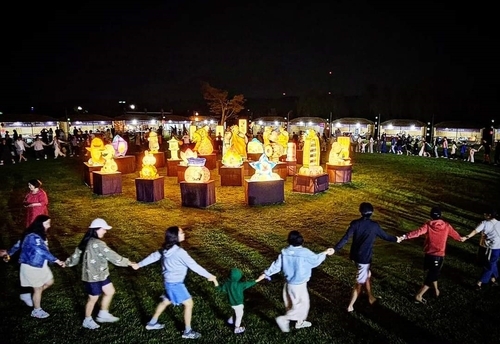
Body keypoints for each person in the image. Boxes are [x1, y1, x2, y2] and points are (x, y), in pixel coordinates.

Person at [131, 226, 217, 339]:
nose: (183, 233)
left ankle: (152, 323)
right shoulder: (180, 252)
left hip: (168, 283)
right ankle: (187, 332)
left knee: (165, 302)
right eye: (181, 232)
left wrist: (139, 265)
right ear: (175, 237)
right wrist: (209, 276)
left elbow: (153, 256)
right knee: (189, 304)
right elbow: (194, 266)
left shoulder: (165, 249)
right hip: (176, 284)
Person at [65, 218, 135, 329]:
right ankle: (87, 320)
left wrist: (67, 263)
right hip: (92, 277)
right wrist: (129, 263)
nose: (105, 231)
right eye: (103, 229)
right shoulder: (98, 243)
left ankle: (103, 314)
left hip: (102, 274)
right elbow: (113, 256)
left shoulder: (86, 240)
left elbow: (76, 256)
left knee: (110, 291)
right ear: (96, 230)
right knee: (93, 299)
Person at [263, 230, 334, 332]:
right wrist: (325, 253)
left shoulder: (285, 251)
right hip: (299, 285)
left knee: (291, 303)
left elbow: (276, 265)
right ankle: (285, 319)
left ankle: (299, 322)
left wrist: (267, 273)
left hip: (288, 284)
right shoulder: (304, 252)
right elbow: (315, 260)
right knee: (303, 305)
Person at [333, 202, 398, 312]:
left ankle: (371, 298)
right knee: (359, 283)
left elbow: (345, 238)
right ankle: (350, 306)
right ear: (371, 213)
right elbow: (386, 236)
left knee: (367, 275)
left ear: (361, 212)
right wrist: (396, 239)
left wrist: (336, 248)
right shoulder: (374, 226)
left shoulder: (355, 223)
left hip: (355, 256)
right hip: (364, 259)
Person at [1, 215, 65, 318]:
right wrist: (57, 260)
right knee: (38, 288)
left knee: (49, 282)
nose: (49, 225)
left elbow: (19, 244)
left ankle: (30, 295)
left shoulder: (39, 233)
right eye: (47, 223)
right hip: (32, 266)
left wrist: (8, 252)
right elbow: (41, 250)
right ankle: (36, 310)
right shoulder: (32, 236)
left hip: (41, 265)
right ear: (40, 224)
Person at [398, 207, 462, 303]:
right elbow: (457, 237)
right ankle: (419, 295)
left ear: (431, 216)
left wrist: (405, 236)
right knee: (432, 275)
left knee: (433, 273)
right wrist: (463, 238)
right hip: (438, 255)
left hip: (429, 255)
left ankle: (436, 290)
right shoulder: (447, 226)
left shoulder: (428, 225)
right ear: (441, 215)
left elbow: (417, 232)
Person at [216, 268, 266, 334]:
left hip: (232, 304)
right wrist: (259, 279)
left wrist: (214, 281)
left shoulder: (227, 284)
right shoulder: (240, 285)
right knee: (239, 316)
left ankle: (230, 321)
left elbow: (219, 289)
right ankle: (236, 329)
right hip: (238, 304)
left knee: (236, 312)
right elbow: (250, 283)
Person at [461, 208, 500, 290]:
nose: (484, 215)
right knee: (493, 263)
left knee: (489, 266)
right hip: (497, 248)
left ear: (489, 215)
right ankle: (493, 280)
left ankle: (479, 283)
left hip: (489, 249)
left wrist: (466, 237)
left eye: (485, 214)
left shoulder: (485, 223)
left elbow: (475, 231)